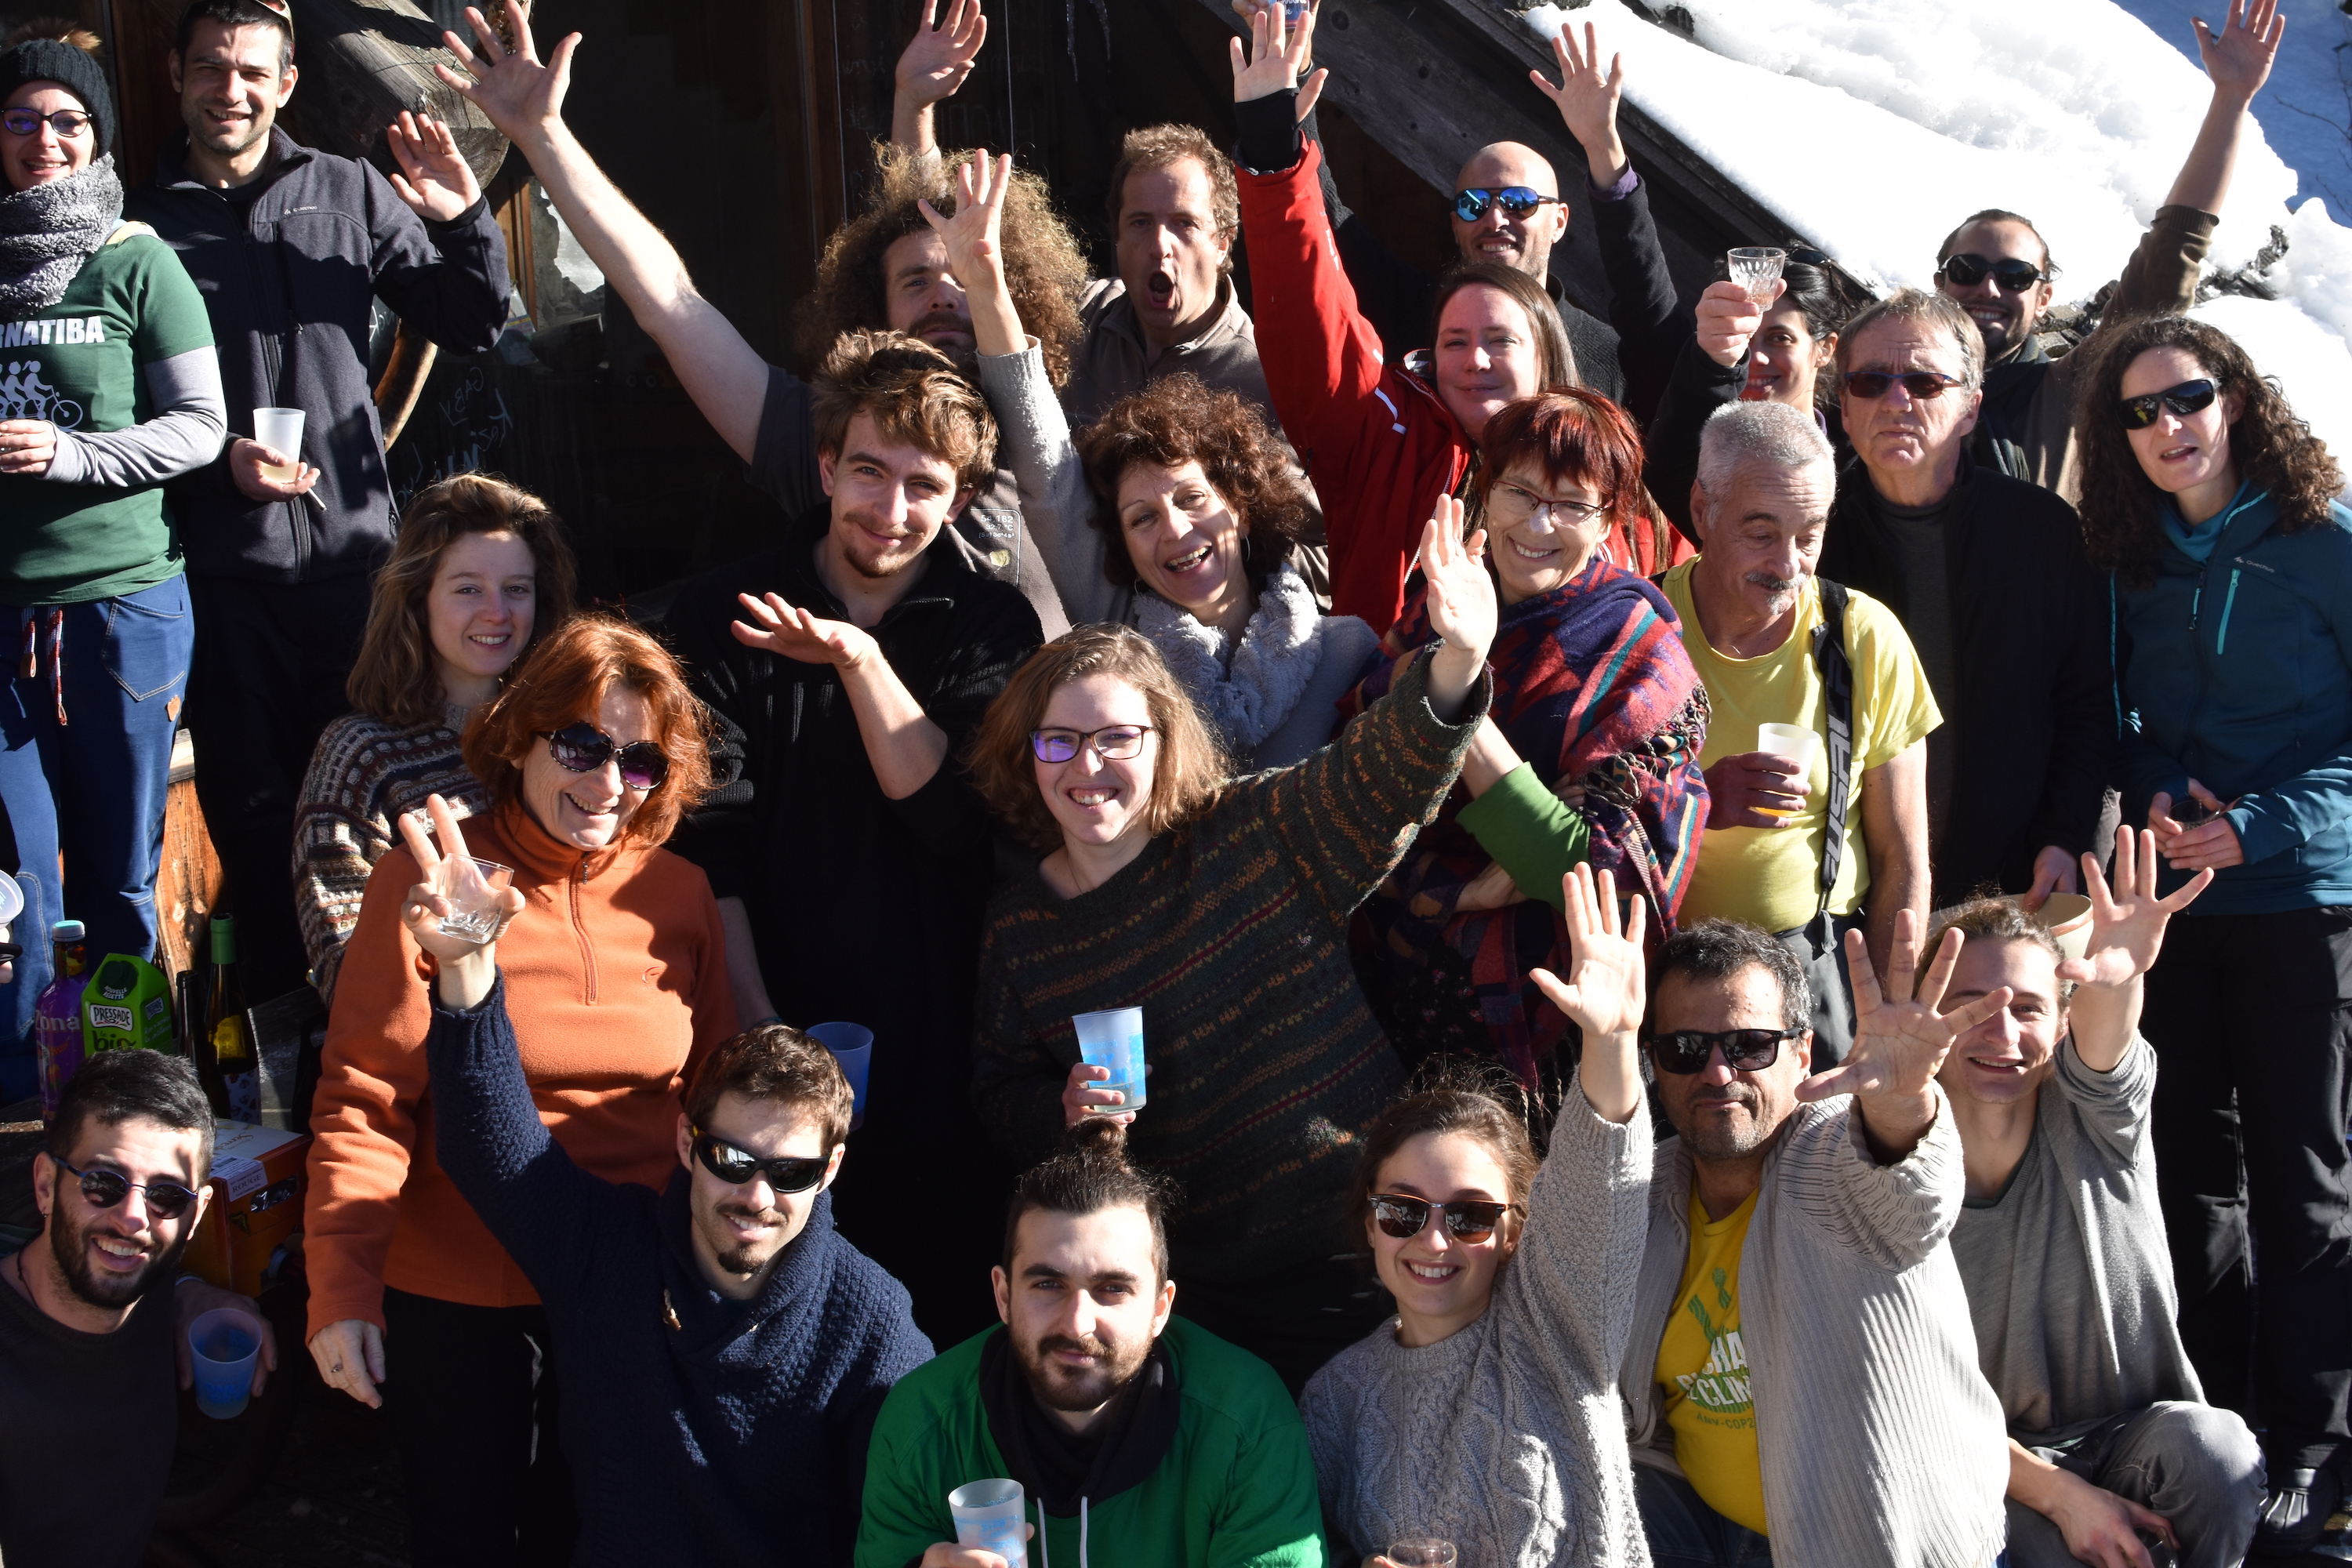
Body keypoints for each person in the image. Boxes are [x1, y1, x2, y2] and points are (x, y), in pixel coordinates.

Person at [967, 505, 1496, 1391]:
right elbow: (996, 1091)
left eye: (1115, 740)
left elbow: (1384, 768)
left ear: (1163, 743)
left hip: (1360, 1256)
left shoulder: (1250, 831)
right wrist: (1059, 1109)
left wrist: (1460, 658)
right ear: (1027, 758)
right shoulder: (1021, 926)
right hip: (1192, 1297)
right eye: (1058, 741)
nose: (1086, 766)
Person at [302, 615, 735, 1566]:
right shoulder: (428, 884)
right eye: (581, 743)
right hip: (465, 1289)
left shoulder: (680, 892)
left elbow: (716, 1096)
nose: (607, 781)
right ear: (520, 734)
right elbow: (365, 1096)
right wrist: (341, 1286)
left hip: (630, 1281)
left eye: (640, 761)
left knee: (605, 1534)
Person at [400, 793, 932, 1566]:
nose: (757, 1194)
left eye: (790, 1173)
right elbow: (496, 1149)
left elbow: (905, 1515)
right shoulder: (611, 1253)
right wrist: (466, 966)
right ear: (687, 1142)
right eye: (733, 1159)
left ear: (832, 1170)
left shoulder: (870, 1322)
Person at [438, 0, 1080, 637]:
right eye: (915, 281)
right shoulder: (817, 437)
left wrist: (918, 118)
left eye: (965, 280)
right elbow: (668, 300)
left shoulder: (1040, 435)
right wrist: (542, 135)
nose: (943, 295)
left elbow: (963, 254)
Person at [653, 327, 1042, 1349]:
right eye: (869, 472)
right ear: (827, 468)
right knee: (771, 1333)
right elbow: (708, 846)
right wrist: (755, 1020)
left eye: (924, 486)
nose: (891, 508)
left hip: (941, 1055)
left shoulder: (992, 627)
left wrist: (859, 660)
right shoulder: (724, 615)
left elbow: (950, 818)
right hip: (771, 1035)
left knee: (941, 1335)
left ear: (959, 502)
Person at [127, 0, 511, 1004]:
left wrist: (463, 216)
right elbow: (116, 412)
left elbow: (470, 320)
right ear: (176, 74)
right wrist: (216, 464)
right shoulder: (141, 225)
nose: (231, 89)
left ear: (287, 84)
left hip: (359, 577)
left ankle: (417, 1027)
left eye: (253, 71)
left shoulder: (343, 190)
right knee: (254, 834)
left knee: (390, 823)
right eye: (211, 67)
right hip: (224, 578)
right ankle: (283, 1066)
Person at [2074, 310, 2352, 1553]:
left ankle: (2313, 1448)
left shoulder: (2324, 543)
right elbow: (2119, 719)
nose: (2167, 428)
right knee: (2188, 1172)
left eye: (2185, 398)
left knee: (2306, 1180)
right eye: (2138, 414)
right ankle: (2223, 1419)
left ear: (2235, 400)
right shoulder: (2130, 557)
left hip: (2304, 905)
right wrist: (2159, 785)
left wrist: (2269, 822)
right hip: (2172, 910)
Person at [1232, 7, 1687, 633]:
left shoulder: (1600, 457)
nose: (1474, 359)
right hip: (1389, 699)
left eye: (1500, 341)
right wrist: (1278, 112)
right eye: (1453, 341)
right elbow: (1316, 266)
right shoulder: (1387, 426)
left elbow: (1662, 340)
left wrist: (1606, 155)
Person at [927, 149, 1377, 767]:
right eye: (1141, 518)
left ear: (1241, 508)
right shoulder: (1119, 633)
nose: (1174, 530)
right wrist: (982, 281)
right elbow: (1047, 465)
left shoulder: (1347, 653)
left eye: (1193, 499)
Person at [1624, 916, 2013, 1566]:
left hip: (1873, 1548)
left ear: (1804, 1052)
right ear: (1655, 1066)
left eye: (1750, 1045)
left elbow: (1910, 1197)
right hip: (1705, 1526)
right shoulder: (1650, 1189)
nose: (1718, 1074)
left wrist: (1903, 1102)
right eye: (1686, 1048)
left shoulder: (1833, 1151)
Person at [1345, 390, 1707, 1088]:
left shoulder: (1640, 653)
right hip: (1384, 987)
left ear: (1610, 521)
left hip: (1539, 1026)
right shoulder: (1445, 600)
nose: (1540, 523)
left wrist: (1461, 682)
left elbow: (1594, 882)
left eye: (1574, 504)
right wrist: (1469, 881)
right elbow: (1353, 790)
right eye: (1519, 492)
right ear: (1486, 491)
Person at [1301, 863, 1653, 1568]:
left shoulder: (1558, 1326)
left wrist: (1610, 1044)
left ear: (1514, 1231)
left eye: (1469, 1216)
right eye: (1402, 1210)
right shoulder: (1336, 1396)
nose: (1433, 1239)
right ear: (1370, 1222)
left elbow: (1600, 1184)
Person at [1931, 835, 2265, 1568]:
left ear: (2061, 1021)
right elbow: (1908, 1403)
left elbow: (2108, 1037)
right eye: (1972, 1005)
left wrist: (2117, 978)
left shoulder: (2096, 1117)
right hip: (1983, 1464)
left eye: (2028, 1007)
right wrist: (2057, 1492)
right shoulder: (1896, 1154)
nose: (2002, 1031)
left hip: (2132, 1436)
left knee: (2217, 1454)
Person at [0, 34, 223, 1059]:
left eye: (65, 121)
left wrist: (71, 453)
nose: (42, 139)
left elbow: (199, 426)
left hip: (118, 607)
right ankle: (37, 1081)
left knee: (120, 872)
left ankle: (130, 1076)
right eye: (20, 119)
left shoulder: (139, 261)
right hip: (6, 616)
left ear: (96, 139)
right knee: (24, 870)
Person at [855, 1119, 1325, 1568]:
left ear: (1161, 1308)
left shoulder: (1245, 1420)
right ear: (1003, 1296)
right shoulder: (923, 1424)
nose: (1078, 1323)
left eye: (1113, 1289)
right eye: (1047, 1285)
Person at [1237, 5, 1682, 423]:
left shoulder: (1606, 357)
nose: (1494, 219)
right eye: (1472, 204)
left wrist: (1604, 146)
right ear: (1454, 224)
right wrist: (1290, 77)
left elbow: (1656, 326)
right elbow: (1322, 223)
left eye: (1519, 202)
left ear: (1560, 221)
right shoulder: (1412, 309)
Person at [1660, 400, 1937, 1065]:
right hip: (1664, 974)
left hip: (1812, 975)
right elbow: (1583, 818)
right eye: (1761, 532)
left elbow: (1903, 859)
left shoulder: (1860, 635)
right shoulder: (1641, 627)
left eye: (1808, 535)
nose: (1788, 563)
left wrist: (1890, 1013)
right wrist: (1697, 802)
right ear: (1702, 511)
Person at [1814, 289, 2110, 909]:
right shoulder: (1813, 534)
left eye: (1924, 383)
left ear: (1971, 408)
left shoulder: (2042, 530)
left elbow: (2086, 703)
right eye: (1870, 382)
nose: (1896, 402)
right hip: (1848, 893)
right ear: (1843, 406)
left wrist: (2063, 835)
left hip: (2009, 886)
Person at [1932, 0, 2281, 496]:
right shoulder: (1880, 380)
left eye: (2014, 276)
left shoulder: (2075, 389)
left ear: (2044, 298)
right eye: (1967, 269)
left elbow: (2171, 251)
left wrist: (2231, 99)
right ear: (1939, 282)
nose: (1988, 287)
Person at [292, 472, 578, 1002]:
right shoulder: (360, 754)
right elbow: (344, 967)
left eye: (517, 589)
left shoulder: (574, 737)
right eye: (468, 589)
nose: (497, 612)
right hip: (445, 1041)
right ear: (418, 598)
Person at [1, 1050, 275, 1568]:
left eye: (167, 1197)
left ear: (196, 1216)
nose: (132, 1219)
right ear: (44, 1186)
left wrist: (189, 1290)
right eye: (103, 1184)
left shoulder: (151, 1294)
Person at [1644, 252, 1864, 537]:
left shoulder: (1860, 470)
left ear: (1826, 349)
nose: (1755, 357)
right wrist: (1715, 360)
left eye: (1779, 338)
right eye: (1744, 336)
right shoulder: (1700, 457)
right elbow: (1664, 472)